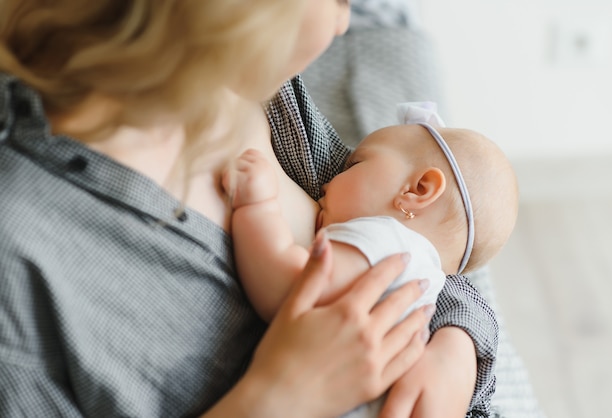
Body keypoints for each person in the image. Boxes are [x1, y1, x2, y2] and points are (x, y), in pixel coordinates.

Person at [0, 0, 497, 417]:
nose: (345, 22)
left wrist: (457, 344)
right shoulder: (21, 255)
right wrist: (279, 396)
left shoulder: (253, 89)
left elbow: (422, 233)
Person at [224, 103, 518, 417]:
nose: (329, 179)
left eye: (354, 165)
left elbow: (286, 288)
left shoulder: (387, 240)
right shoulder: (425, 272)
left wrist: (257, 207)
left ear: (417, 191)